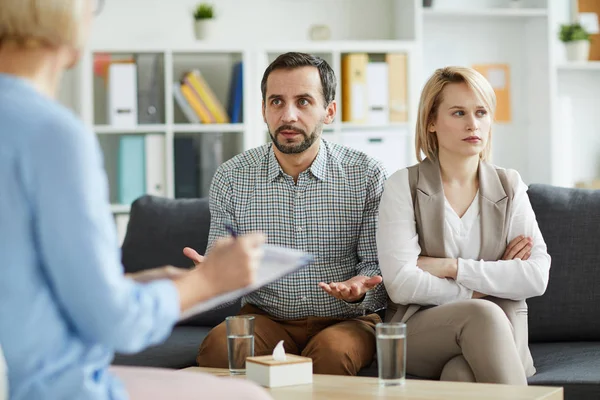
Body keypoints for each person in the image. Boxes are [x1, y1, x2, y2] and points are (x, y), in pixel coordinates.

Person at [0, 1, 272, 399]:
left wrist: (133, 284)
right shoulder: (53, 135)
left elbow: (32, 284)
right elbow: (114, 323)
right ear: (70, 20)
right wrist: (209, 281)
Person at [184, 52, 388, 376]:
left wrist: (359, 291)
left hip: (346, 319)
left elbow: (376, 269)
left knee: (333, 354)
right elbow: (221, 283)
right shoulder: (231, 177)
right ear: (263, 110)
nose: (288, 115)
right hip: (266, 318)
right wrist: (212, 279)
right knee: (220, 347)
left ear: (329, 111)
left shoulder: (366, 174)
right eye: (276, 102)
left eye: (304, 101)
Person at [376, 66, 551, 385]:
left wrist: (451, 267)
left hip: (504, 334)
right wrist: (488, 285)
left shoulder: (509, 185)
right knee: (483, 314)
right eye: (458, 113)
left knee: (460, 375)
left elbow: (536, 277)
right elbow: (402, 284)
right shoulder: (403, 185)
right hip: (421, 330)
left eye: (481, 112)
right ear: (431, 121)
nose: (473, 124)